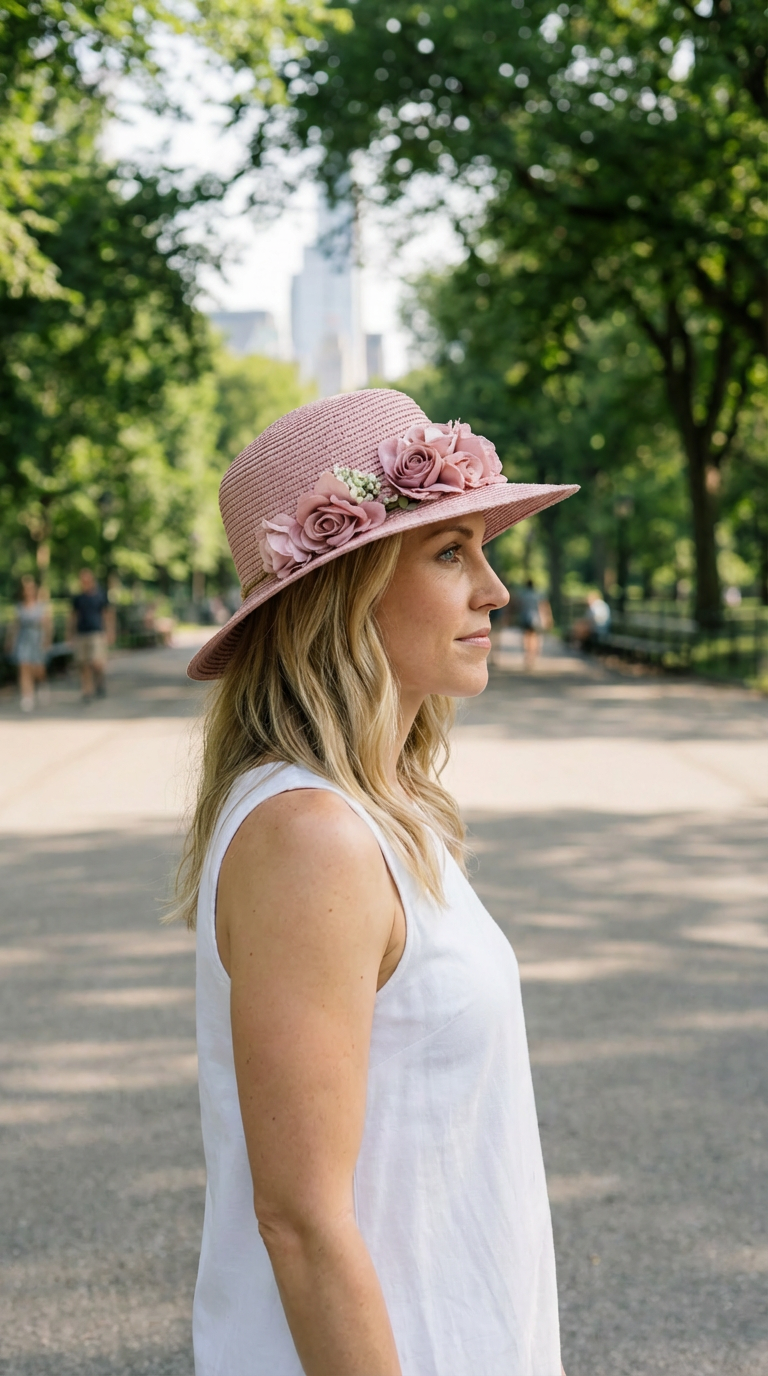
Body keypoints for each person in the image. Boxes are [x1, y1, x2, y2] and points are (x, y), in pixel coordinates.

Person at [177, 390, 578, 1376]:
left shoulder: (382, 807)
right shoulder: (310, 833)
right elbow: (303, 1220)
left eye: (483, 548)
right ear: (344, 588)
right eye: (451, 552)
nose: (495, 590)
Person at [5, 575, 51, 712]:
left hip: (37, 639)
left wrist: (46, 640)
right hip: (23, 639)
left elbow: (47, 625)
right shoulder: (19, 607)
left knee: (38, 669)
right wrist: (10, 641)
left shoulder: (41, 607)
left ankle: (42, 684)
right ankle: (27, 696)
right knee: (24, 666)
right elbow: (15, 626)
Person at [68, 568, 114, 701]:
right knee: (84, 663)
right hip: (82, 633)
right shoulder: (78, 598)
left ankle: (99, 681)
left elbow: (107, 614)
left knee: (96, 662)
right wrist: (70, 634)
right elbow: (73, 617)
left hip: (97, 633)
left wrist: (109, 631)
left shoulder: (100, 596)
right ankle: (87, 690)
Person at [517, 576, 553, 671]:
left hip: (524, 618)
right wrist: (548, 618)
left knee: (526, 636)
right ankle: (532, 655)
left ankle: (527, 653)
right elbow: (544, 606)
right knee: (534, 637)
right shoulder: (538, 595)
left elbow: (519, 606)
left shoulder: (523, 595)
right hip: (536, 619)